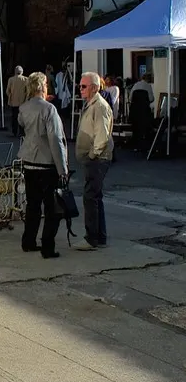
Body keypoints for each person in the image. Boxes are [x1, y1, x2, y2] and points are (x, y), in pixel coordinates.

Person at [17, 72, 68, 258]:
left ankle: (28, 241)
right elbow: (55, 138)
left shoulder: (24, 108)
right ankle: (47, 246)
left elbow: (22, 124)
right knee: (52, 208)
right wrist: (62, 168)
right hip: (47, 163)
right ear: (43, 86)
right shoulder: (49, 109)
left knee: (33, 205)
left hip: (29, 161)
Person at [75, 72, 114, 250]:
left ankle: (92, 238)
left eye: (83, 86)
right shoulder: (92, 104)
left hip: (98, 158)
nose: (80, 89)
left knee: (90, 196)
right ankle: (100, 237)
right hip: (95, 157)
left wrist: (92, 154)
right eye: (80, 86)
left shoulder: (99, 106)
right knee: (95, 196)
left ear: (94, 87)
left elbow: (102, 135)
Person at [6, 66, 28, 137]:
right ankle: (22, 132)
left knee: (14, 117)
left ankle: (14, 131)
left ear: (15, 72)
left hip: (13, 102)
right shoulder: (25, 79)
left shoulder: (11, 79)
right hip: (23, 102)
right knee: (22, 118)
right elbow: (28, 91)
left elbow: (7, 91)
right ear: (22, 72)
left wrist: (10, 96)